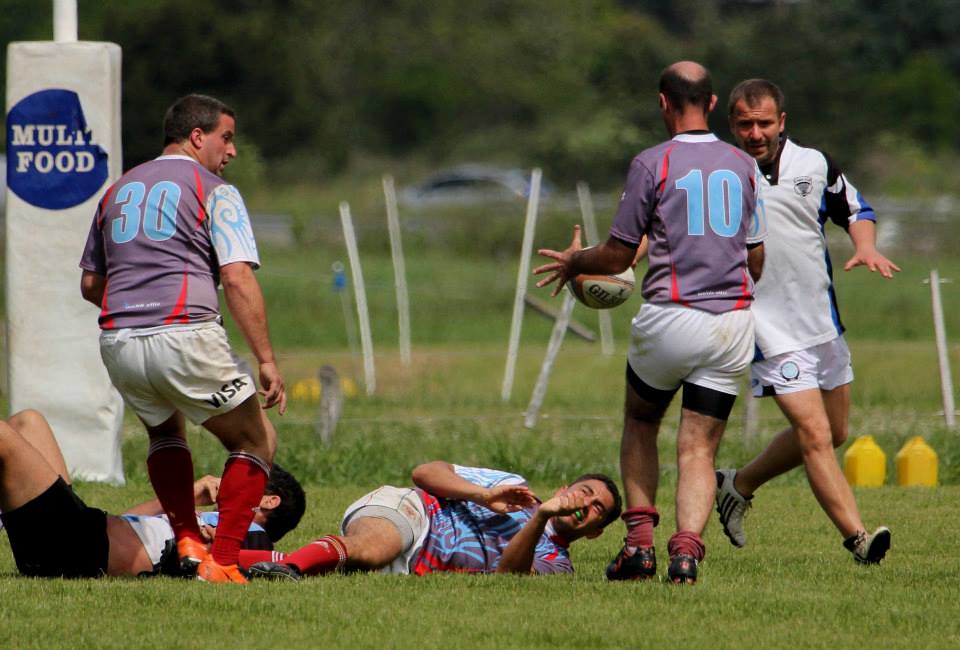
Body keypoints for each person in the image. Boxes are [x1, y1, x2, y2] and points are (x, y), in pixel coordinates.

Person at [534, 61, 765, 584]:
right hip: (731, 324)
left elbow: (617, 257)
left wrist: (575, 262)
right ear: (711, 104)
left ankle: (639, 546)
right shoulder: (743, 165)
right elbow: (757, 261)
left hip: (670, 319)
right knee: (699, 447)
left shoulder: (651, 163)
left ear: (663, 102)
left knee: (642, 421)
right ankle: (686, 552)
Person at [79, 94, 286, 583]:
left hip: (119, 339)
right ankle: (226, 561)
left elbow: (91, 285)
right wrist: (267, 359)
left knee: (166, 433)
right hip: (184, 331)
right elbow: (236, 278)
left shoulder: (117, 190)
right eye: (226, 137)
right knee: (257, 439)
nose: (231, 151)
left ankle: (189, 540)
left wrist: (136, 309)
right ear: (197, 136)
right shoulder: (213, 188)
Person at [714, 79, 898, 564]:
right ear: (731, 125)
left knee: (835, 431)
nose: (755, 133)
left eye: (764, 123)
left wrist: (864, 245)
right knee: (815, 436)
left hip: (821, 323)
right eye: (744, 124)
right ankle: (859, 540)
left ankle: (738, 484)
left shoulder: (814, 165)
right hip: (767, 329)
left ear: (782, 122)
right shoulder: (722, 174)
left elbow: (856, 209)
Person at [0, 409, 305, 578]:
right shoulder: (209, 518)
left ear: (268, 500)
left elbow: (245, 560)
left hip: (78, 553)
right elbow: (127, 519)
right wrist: (186, 500)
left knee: (3, 437)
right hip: (86, 534)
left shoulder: (248, 534)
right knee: (29, 422)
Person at [239, 460, 622, 579]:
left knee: (351, 566)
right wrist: (483, 495)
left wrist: (540, 520)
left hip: (414, 568)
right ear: (562, 488)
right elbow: (425, 472)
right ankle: (290, 567)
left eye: (596, 510)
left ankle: (221, 561)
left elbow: (509, 577)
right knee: (370, 551)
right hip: (415, 512)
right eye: (584, 492)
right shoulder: (513, 487)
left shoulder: (559, 567)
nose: (585, 504)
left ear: (595, 533)